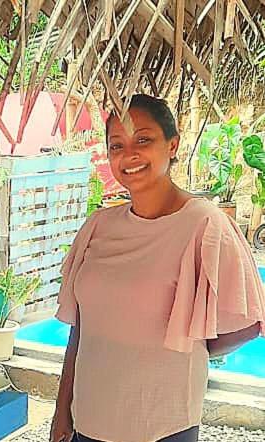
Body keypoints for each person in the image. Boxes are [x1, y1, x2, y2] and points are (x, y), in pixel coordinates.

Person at [50, 94, 265, 442]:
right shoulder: (98, 227)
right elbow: (81, 330)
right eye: (116, 145)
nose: (128, 154)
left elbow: (248, 323)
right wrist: (63, 412)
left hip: (161, 425)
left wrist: (183, 350)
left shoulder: (205, 226)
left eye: (143, 140)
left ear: (173, 144)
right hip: (88, 421)